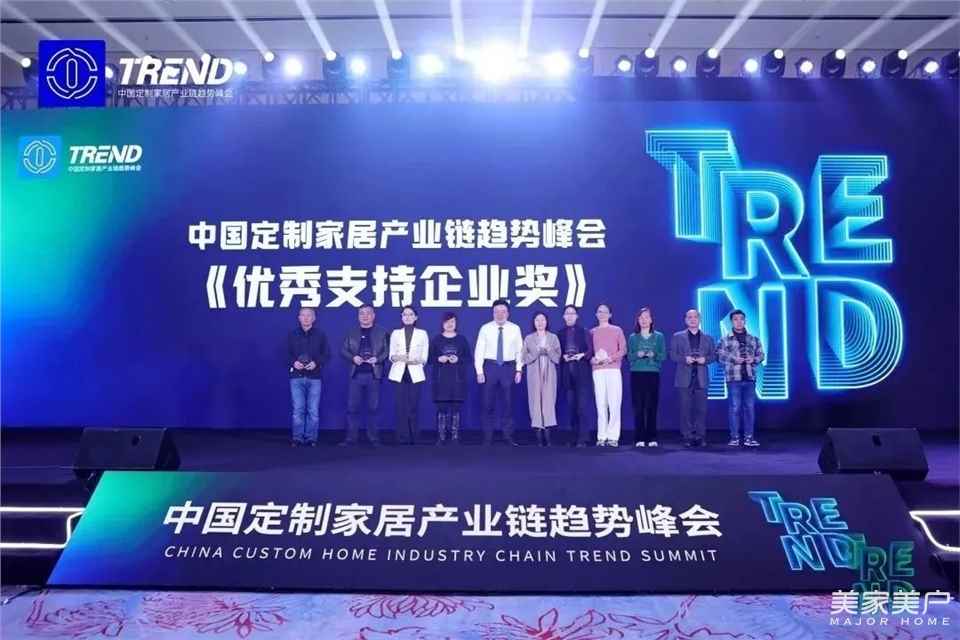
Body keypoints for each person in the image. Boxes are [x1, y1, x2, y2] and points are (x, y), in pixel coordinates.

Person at [474, 299, 523, 446]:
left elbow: (519, 351)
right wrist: (479, 371)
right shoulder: (485, 328)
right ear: (493, 313)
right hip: (490, 367)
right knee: (487, 403)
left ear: (508, 313)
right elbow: (479, 351)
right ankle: (487, 437)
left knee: (508, 403)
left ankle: (508, 435)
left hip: (508, 367)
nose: (500, 314)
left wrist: (519, 369)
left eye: (503, 311)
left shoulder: (515, 328)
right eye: (496, 312)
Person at [340, 304, 388, 447]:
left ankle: (374, 439)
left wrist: (377, 359)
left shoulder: (382, 332)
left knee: (374, 409)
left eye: (368, 313)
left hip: (374, 375)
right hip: (356, 375)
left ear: (373, 315)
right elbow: (343, 350)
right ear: (358, 316)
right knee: (352, 409)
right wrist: (353, 357)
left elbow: (387, 351)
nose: (365, 316)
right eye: (362, 313)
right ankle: (351, 438)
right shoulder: (351, 332)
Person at [717, 309, 764, 448]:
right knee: (735, 408)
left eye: (741, 319)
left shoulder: (753, 339)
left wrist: (753, 359)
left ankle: (749, 438)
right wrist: (734, 359)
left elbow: (761, 355)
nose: (739, 322)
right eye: (735, 319)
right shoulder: (725, 339)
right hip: (733, 378)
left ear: (745, 321)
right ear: (731, 322)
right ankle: (734, 438)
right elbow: (719, 355)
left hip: (750, 378)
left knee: (749, 408)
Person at [670, 309, 717, 448]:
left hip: (702, 378)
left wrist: (705, 360)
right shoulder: (677, 336)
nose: (692, 319)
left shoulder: (708, 338)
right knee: (685, 410)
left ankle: (700, 436)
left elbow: (714, 356)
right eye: (689, 317)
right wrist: (684, 359)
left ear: (699, 319)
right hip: (684, 378)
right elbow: (672, 355)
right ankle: (688, 437)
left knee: (701, 410)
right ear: (685, 320)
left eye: (695, 317)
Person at [287, 307, 329, 447]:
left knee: (313, 410)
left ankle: (311, 438)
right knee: (298, 409)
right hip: (296, 377)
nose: (306, 318)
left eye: (309, 315)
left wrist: (316, 363)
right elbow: (286, 353)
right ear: (299, 318)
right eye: (303, 315)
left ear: (314, 318)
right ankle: (297, 438)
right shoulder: (292, 335)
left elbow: (326, 354)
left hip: (315, 377)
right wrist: (294, 362)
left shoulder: (320, 335)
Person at [388, 305, 429, 445]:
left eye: (411, 314)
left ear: (416, 317)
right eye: (405, 314)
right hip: (399, 373)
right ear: (401, 317)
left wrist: (418, 361)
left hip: (415, 372)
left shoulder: (422, 333)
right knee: (400, 407)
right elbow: (391, 356)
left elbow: (425, 356)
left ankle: (414, 437)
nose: (408, 317)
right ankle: (402, 437)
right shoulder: (395, 333)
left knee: (413, 406)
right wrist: (399, 357)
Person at [430, 312, 471, 445]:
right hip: (441, 380)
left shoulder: (462, 340)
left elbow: (469, 358)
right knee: (441, 408)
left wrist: (458, 359)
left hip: (458, 379)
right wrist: (438, 358)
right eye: (447, 322)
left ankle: (455, 436)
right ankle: (441, 437)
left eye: (452, 322)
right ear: (442, 324)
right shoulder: (436, 339)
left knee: (456, 408)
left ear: (456, 323)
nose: (449, 324)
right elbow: (429, 359)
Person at [627, 307, 666, 448]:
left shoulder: (659, 336)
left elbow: (663, 355)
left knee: (652, 406)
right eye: (641, 318)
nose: (644, 320)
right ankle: (639, 437)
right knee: (638, 407)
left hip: (652, 374)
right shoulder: (633, 337)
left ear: (651, 319)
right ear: (638, 320)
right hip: (637, 374)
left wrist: (654, 355)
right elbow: (629, 356)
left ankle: (652, 437)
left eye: (646, 317)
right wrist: (636, 354)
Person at [522, 311, 562, 446]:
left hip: (549, 373)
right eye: (537, 320)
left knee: (549, 401)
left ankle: (548, 435)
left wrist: (549, 350)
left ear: (547, 322)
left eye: (543, 320)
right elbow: (524, 359)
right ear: (534, 323)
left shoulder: (553, 337)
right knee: (535, 401)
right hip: (534, 374)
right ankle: (538, 433)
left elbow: (557, 359)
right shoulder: (529, 338)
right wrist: (537, 352)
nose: (540, 323)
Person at [590, 303, 627, 447]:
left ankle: (613, 436)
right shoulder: (592, 332)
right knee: (600, 403)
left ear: (610, 315)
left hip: (613, 369)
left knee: (614, 403)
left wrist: (610, 358)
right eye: (599, 311)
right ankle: (601, 436)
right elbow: (589, 352)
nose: (602, 314)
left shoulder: (617, 330)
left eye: (605, 312)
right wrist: (592, 359)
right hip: (598, 370)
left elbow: (623, 350)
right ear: (596, 314)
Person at [558, 305, 594, 447]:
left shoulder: (584, 331)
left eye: (572, 313)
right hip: (567, 375)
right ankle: (574, 437)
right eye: (567, 313)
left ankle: (583, 438)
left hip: (582, 375)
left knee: (582, 408)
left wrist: (582, 355)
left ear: (577, 316)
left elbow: (591, 351)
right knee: (571, 408)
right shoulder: (560, 334)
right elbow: (557, 354)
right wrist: (563, 357)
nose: (570, 316)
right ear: (563, 317)